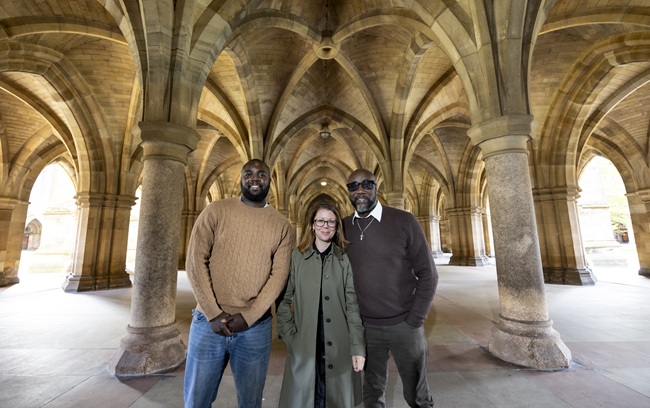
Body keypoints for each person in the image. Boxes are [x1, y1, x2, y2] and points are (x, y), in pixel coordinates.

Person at [183, 159, 293, 408]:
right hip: (207, 323)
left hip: (254, 328)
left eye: (261, 174)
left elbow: (279, 276)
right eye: (249, 173)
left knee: (250, 401)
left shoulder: (282, 225)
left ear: (269, 181)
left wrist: (250, 316)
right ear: (241, 178)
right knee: (196, 399)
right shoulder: (215, 211)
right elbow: (195, 261)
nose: (255, 178)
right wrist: (212, 312)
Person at [342, 169, 438, 408]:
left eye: (366, 184)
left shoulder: (404, 221)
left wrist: (415, 318)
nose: (360, 190)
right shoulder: (343, 227)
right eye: (353, 186)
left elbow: (428, 274)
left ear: (376, 187)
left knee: (418, 395)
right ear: (348, 193)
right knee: (372, 392)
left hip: (404, 325)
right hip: (366, 328)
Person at [277, 202, 366, 408]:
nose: (325, 226)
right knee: (307, 398)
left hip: (339, 345)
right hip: (305, 344)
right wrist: (289, 335)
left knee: (334, 398)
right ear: (312, 225)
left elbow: (352, 305)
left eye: (331, 222)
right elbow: (284, 300)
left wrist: (357, 347)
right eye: (320, 221)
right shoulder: (297, 257)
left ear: (336, 227)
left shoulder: (343, 259)